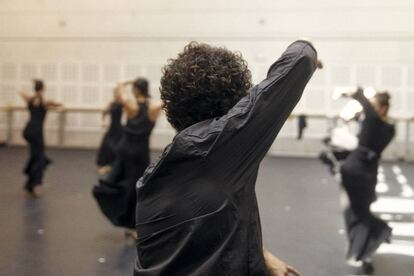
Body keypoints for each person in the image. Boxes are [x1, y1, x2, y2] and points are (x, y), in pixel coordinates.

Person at [134, 41, 319, 276]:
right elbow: (301, 57)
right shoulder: (221, 146)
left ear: (170, 105)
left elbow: (203, 228)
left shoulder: (156, 175)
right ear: (235, 102)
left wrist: (262, 254)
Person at [92, 78, 163, 237]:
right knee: (137, 187)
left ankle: (130, 223)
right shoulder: (154, 107)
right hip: (141, 152)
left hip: (126, 150)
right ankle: (132, 224)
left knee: (127, 185)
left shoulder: (131, 106)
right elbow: (168, 100)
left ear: (136, 90)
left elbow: (119, 92)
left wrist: (124, 82)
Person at [340, 88, 394, 274]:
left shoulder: (372, 120)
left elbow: (362, 101)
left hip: (355, 172)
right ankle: (366, 247)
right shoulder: (389, 128)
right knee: (358, 213)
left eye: (375, 106)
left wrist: (354, 92)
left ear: (383, 108)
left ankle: (376, 236)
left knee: (358, 214)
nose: (371, 108)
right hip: (367, 175)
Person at [20, 79, 62, 197]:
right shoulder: (39, 100)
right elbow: (44, 103)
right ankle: (32, 185)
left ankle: (30, 183)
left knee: (36, 156)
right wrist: (39, 92)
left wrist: (55, 107)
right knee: (39, 159)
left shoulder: (31, 99)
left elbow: (23, 94)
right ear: (43, 89)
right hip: (36, 132)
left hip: (28, 131)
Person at [96, 89, 124, 175]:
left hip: (119, 128)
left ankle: (115, 166)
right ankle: (106, 165)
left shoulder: (123, 103)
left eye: (118, 93)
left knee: (117, 147)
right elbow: (104, 112)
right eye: (115, 93)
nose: (116, 95)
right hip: (112, 127)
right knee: (106, 145)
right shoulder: (111, 103)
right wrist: (103, 121)